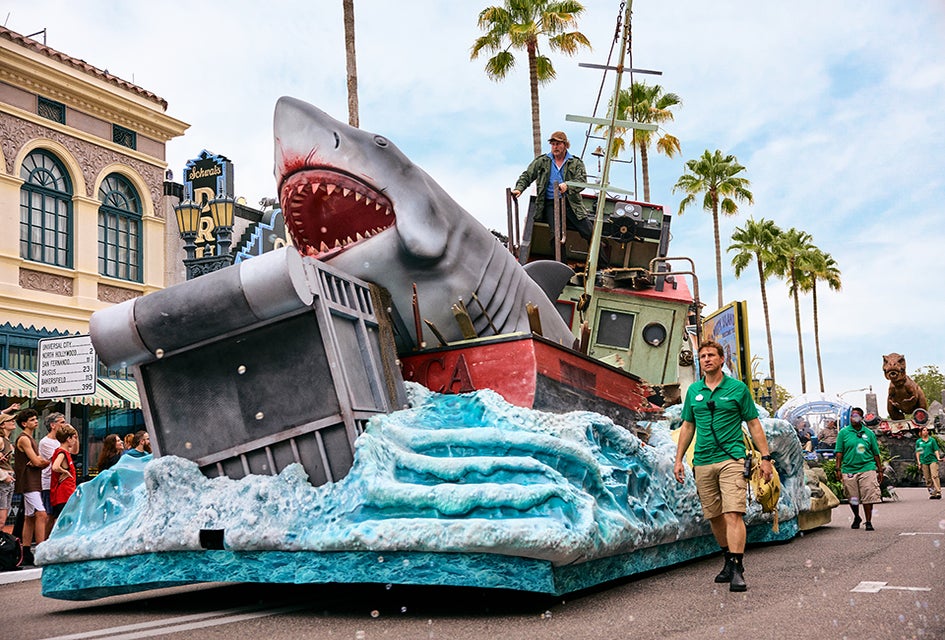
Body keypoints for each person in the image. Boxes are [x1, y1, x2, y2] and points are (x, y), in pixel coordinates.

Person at [674, 340, 774, 592]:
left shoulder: (737, 390)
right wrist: (678, 459)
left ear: (721, 359)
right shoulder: (694, 391)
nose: (706, 359)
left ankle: (738, 568)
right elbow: (687, 426)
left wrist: (765, 457)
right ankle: (728, 559)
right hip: (703, 461)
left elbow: (753, 424)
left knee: (733, 513)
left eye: (711, 355)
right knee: (715, 516)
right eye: (702, 356)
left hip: (732, 459)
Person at [512, 132, 606, 264]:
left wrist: (567, 186)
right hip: (551, 203)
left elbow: (582, 181)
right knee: (556, 236)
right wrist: (519, 189)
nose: (555, 147)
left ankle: (603, 267)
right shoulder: (543, 161)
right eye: (553, 144)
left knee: (590, 233)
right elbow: (527, 175)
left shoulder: (575, 162)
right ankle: (563, 268)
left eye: (558, 144)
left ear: (565, 145)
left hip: (571, 203)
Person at [834, 407, 883, 530]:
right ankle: (857, 516)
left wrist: (880, 470)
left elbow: (875, 452)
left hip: (867, 467)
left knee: (868, 495)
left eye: (856, 416)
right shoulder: (843, 433)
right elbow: (839, 452)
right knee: (853, 497)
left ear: (861, 418)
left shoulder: (869, 433)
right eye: (851, 416)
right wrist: (838, 469)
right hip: (849, 469)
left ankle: (868, 521)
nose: (853, 418)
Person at [12, 409, 49, 565]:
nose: (36, 421)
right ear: (24, 423)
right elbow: (37, 461)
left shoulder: (30, 438)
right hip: (28, 481)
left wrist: (41, 461)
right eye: (32, 419)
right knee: (41, 514)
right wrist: (44, 461)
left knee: (30, 517)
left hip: (32, 480)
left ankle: (26, 551)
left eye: (36, 418)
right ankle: (40, 550)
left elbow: (38, 461)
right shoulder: (24, 439)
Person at [48, 424, 78, 533]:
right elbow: (55, 466)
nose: (75, 440)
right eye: (74, 437)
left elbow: (75, 450)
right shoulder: (62, 452)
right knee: (61, 519)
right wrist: (65, 471)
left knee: (61, 518)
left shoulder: (62, 451)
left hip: (65, 492)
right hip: (64, 493)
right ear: (68, 439)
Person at [40, 412, 66, 519]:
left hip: (60, 483)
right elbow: (57, 461)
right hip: (49, 483)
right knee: (49, 515)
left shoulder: (62, 441)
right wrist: (66, 471)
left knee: (59, 514)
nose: (65, 425)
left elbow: (74, 451)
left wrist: (75, 436)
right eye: (62, 422)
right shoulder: (45, 442)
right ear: (53, 425)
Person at [915, 426, 943, 499]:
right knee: (927, 478)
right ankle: (932, 493)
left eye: (926, 430)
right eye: (924, 430)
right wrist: (919, 462)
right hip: (924, 461)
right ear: (921, 432)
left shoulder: (932, 440)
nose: (925, 432)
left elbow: (935, 449)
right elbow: (919, 452)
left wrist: (938, 458)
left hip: (932, 460)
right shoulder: (919, 442)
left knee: (934, 475)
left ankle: (938, 492)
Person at [0, 413, 17, 530]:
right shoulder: (1, 440)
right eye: (9, 420)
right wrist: (3, 476)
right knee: (1, 520)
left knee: (3, 519)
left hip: (9, 479)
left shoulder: (8, 441)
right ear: (2, 425)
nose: (13, 421)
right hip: (3, 480)